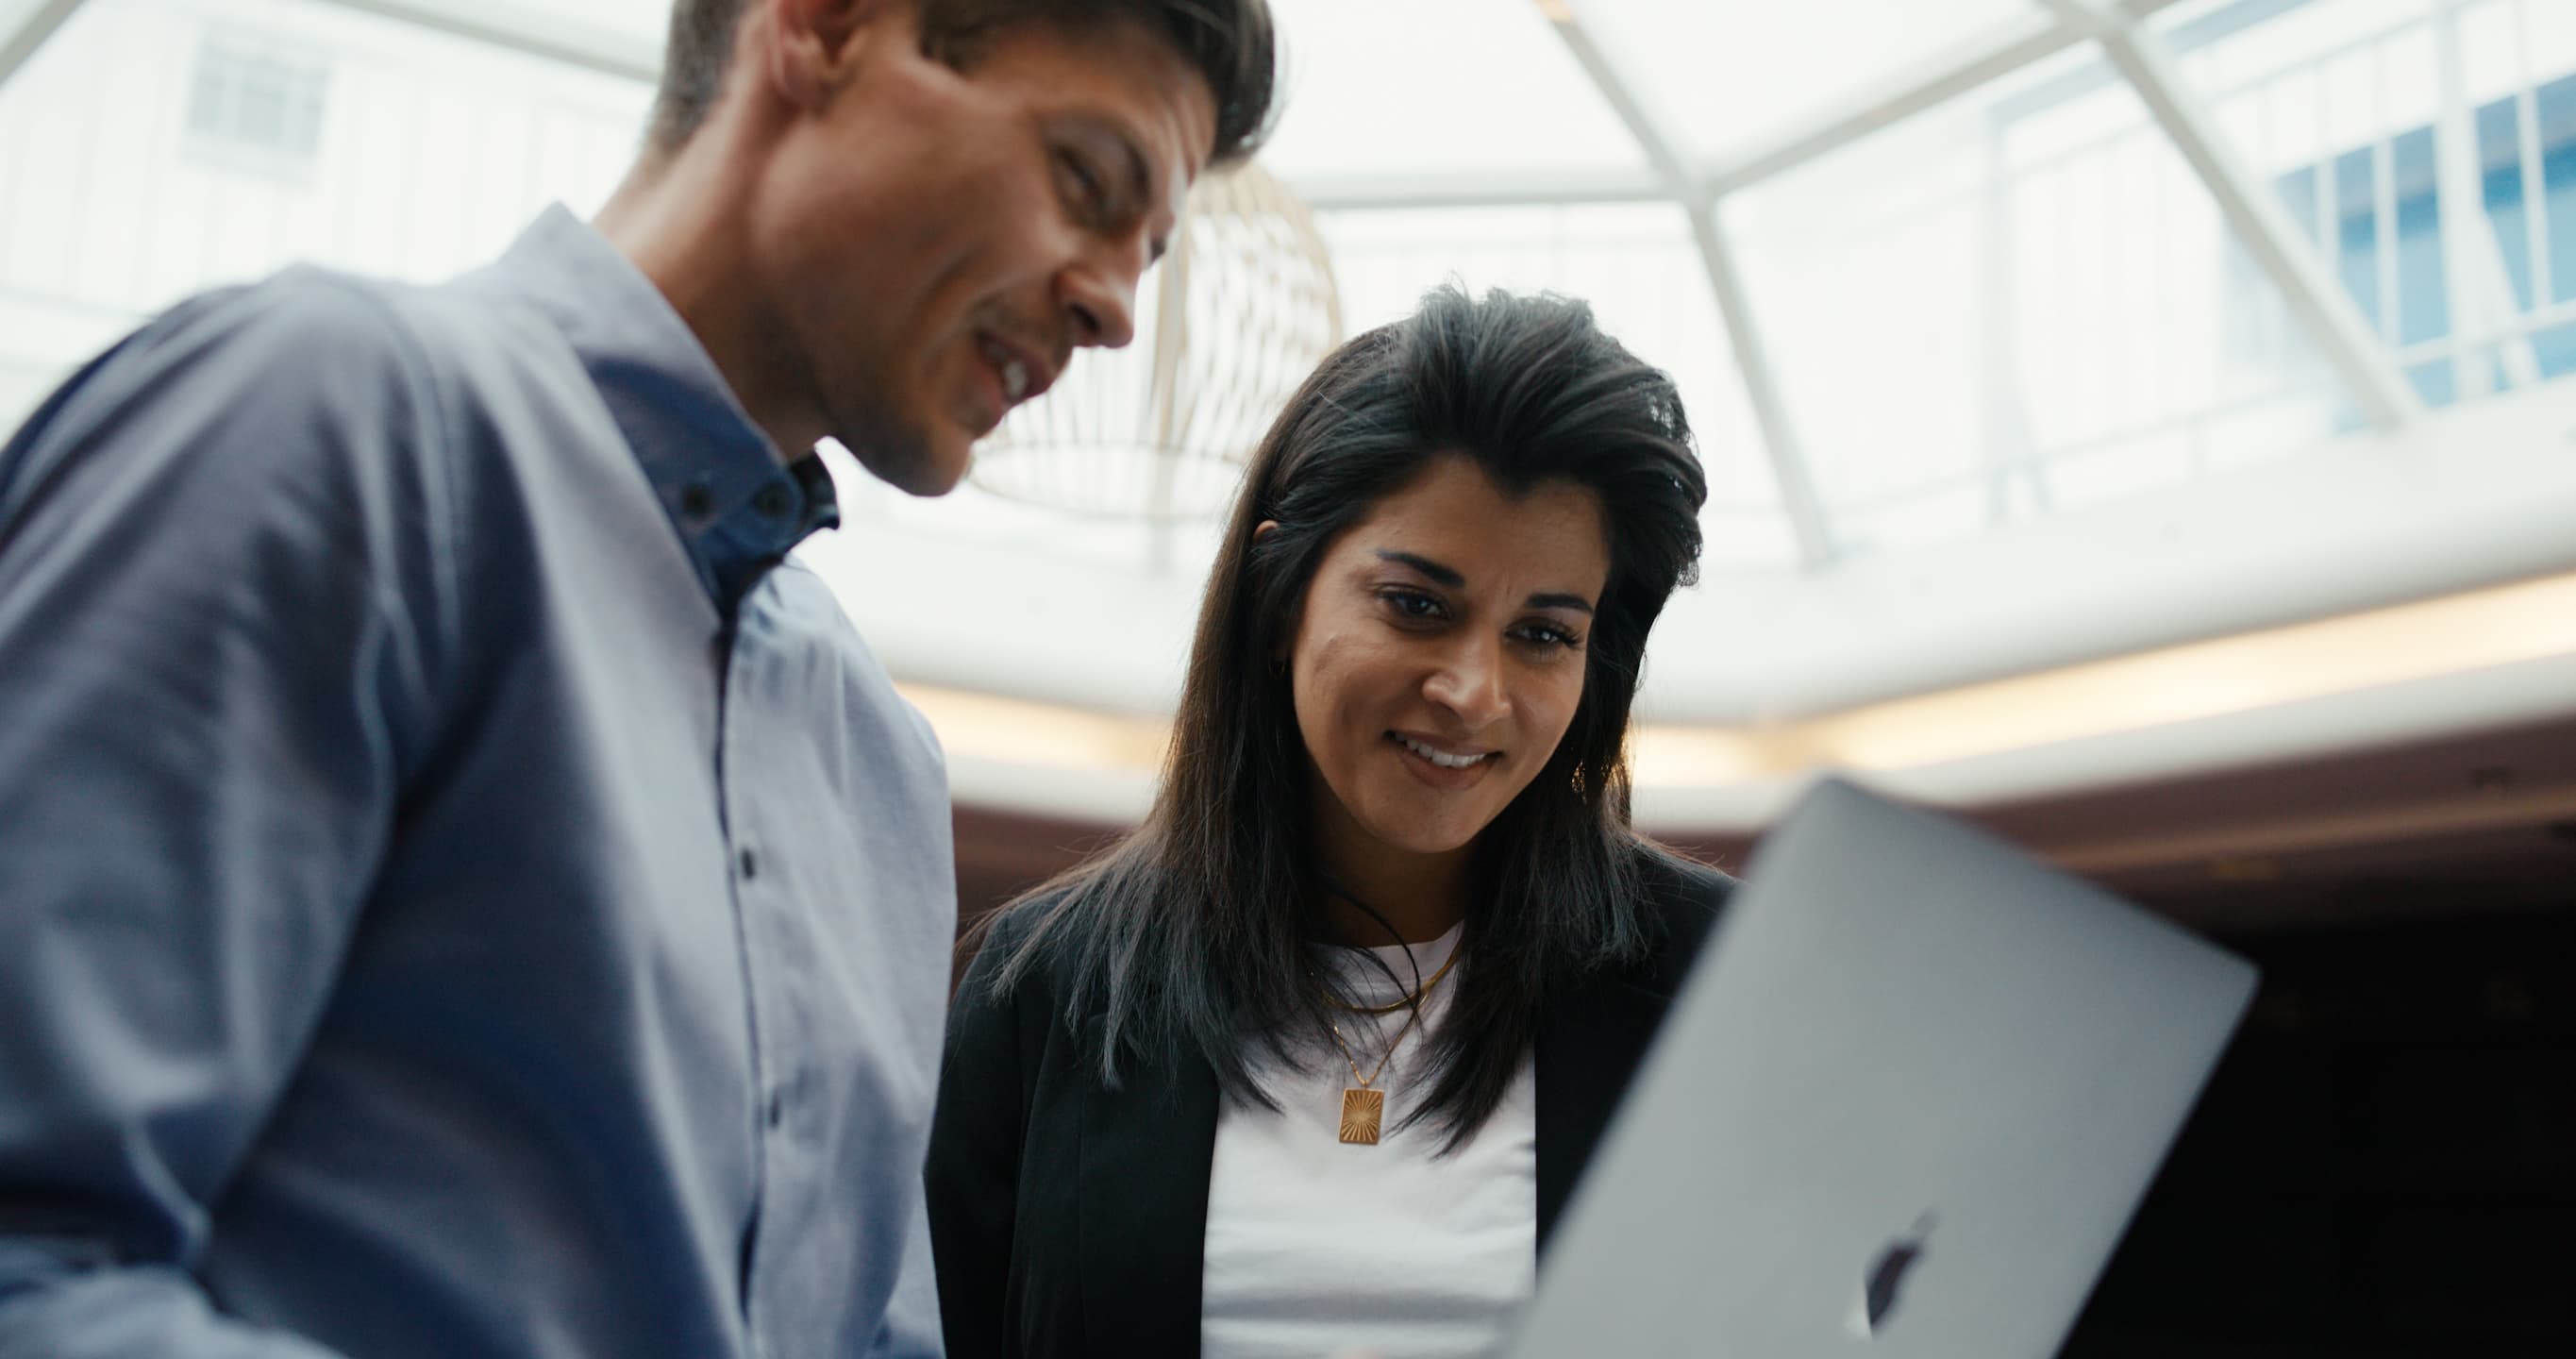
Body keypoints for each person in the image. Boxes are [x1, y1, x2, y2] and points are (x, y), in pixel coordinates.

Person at [0, 1, 1273, 1355]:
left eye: (1149, 251)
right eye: (1086, 180)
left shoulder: (877, 764)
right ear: (826, 31)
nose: (1117, 310)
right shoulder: (334, 421)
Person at [925, 285, 1734, 1359]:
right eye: (1416, 605)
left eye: (1543, 633)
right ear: (1279, 593)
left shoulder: (1717, 981)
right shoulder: (1046, 993)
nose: (1474, 691)